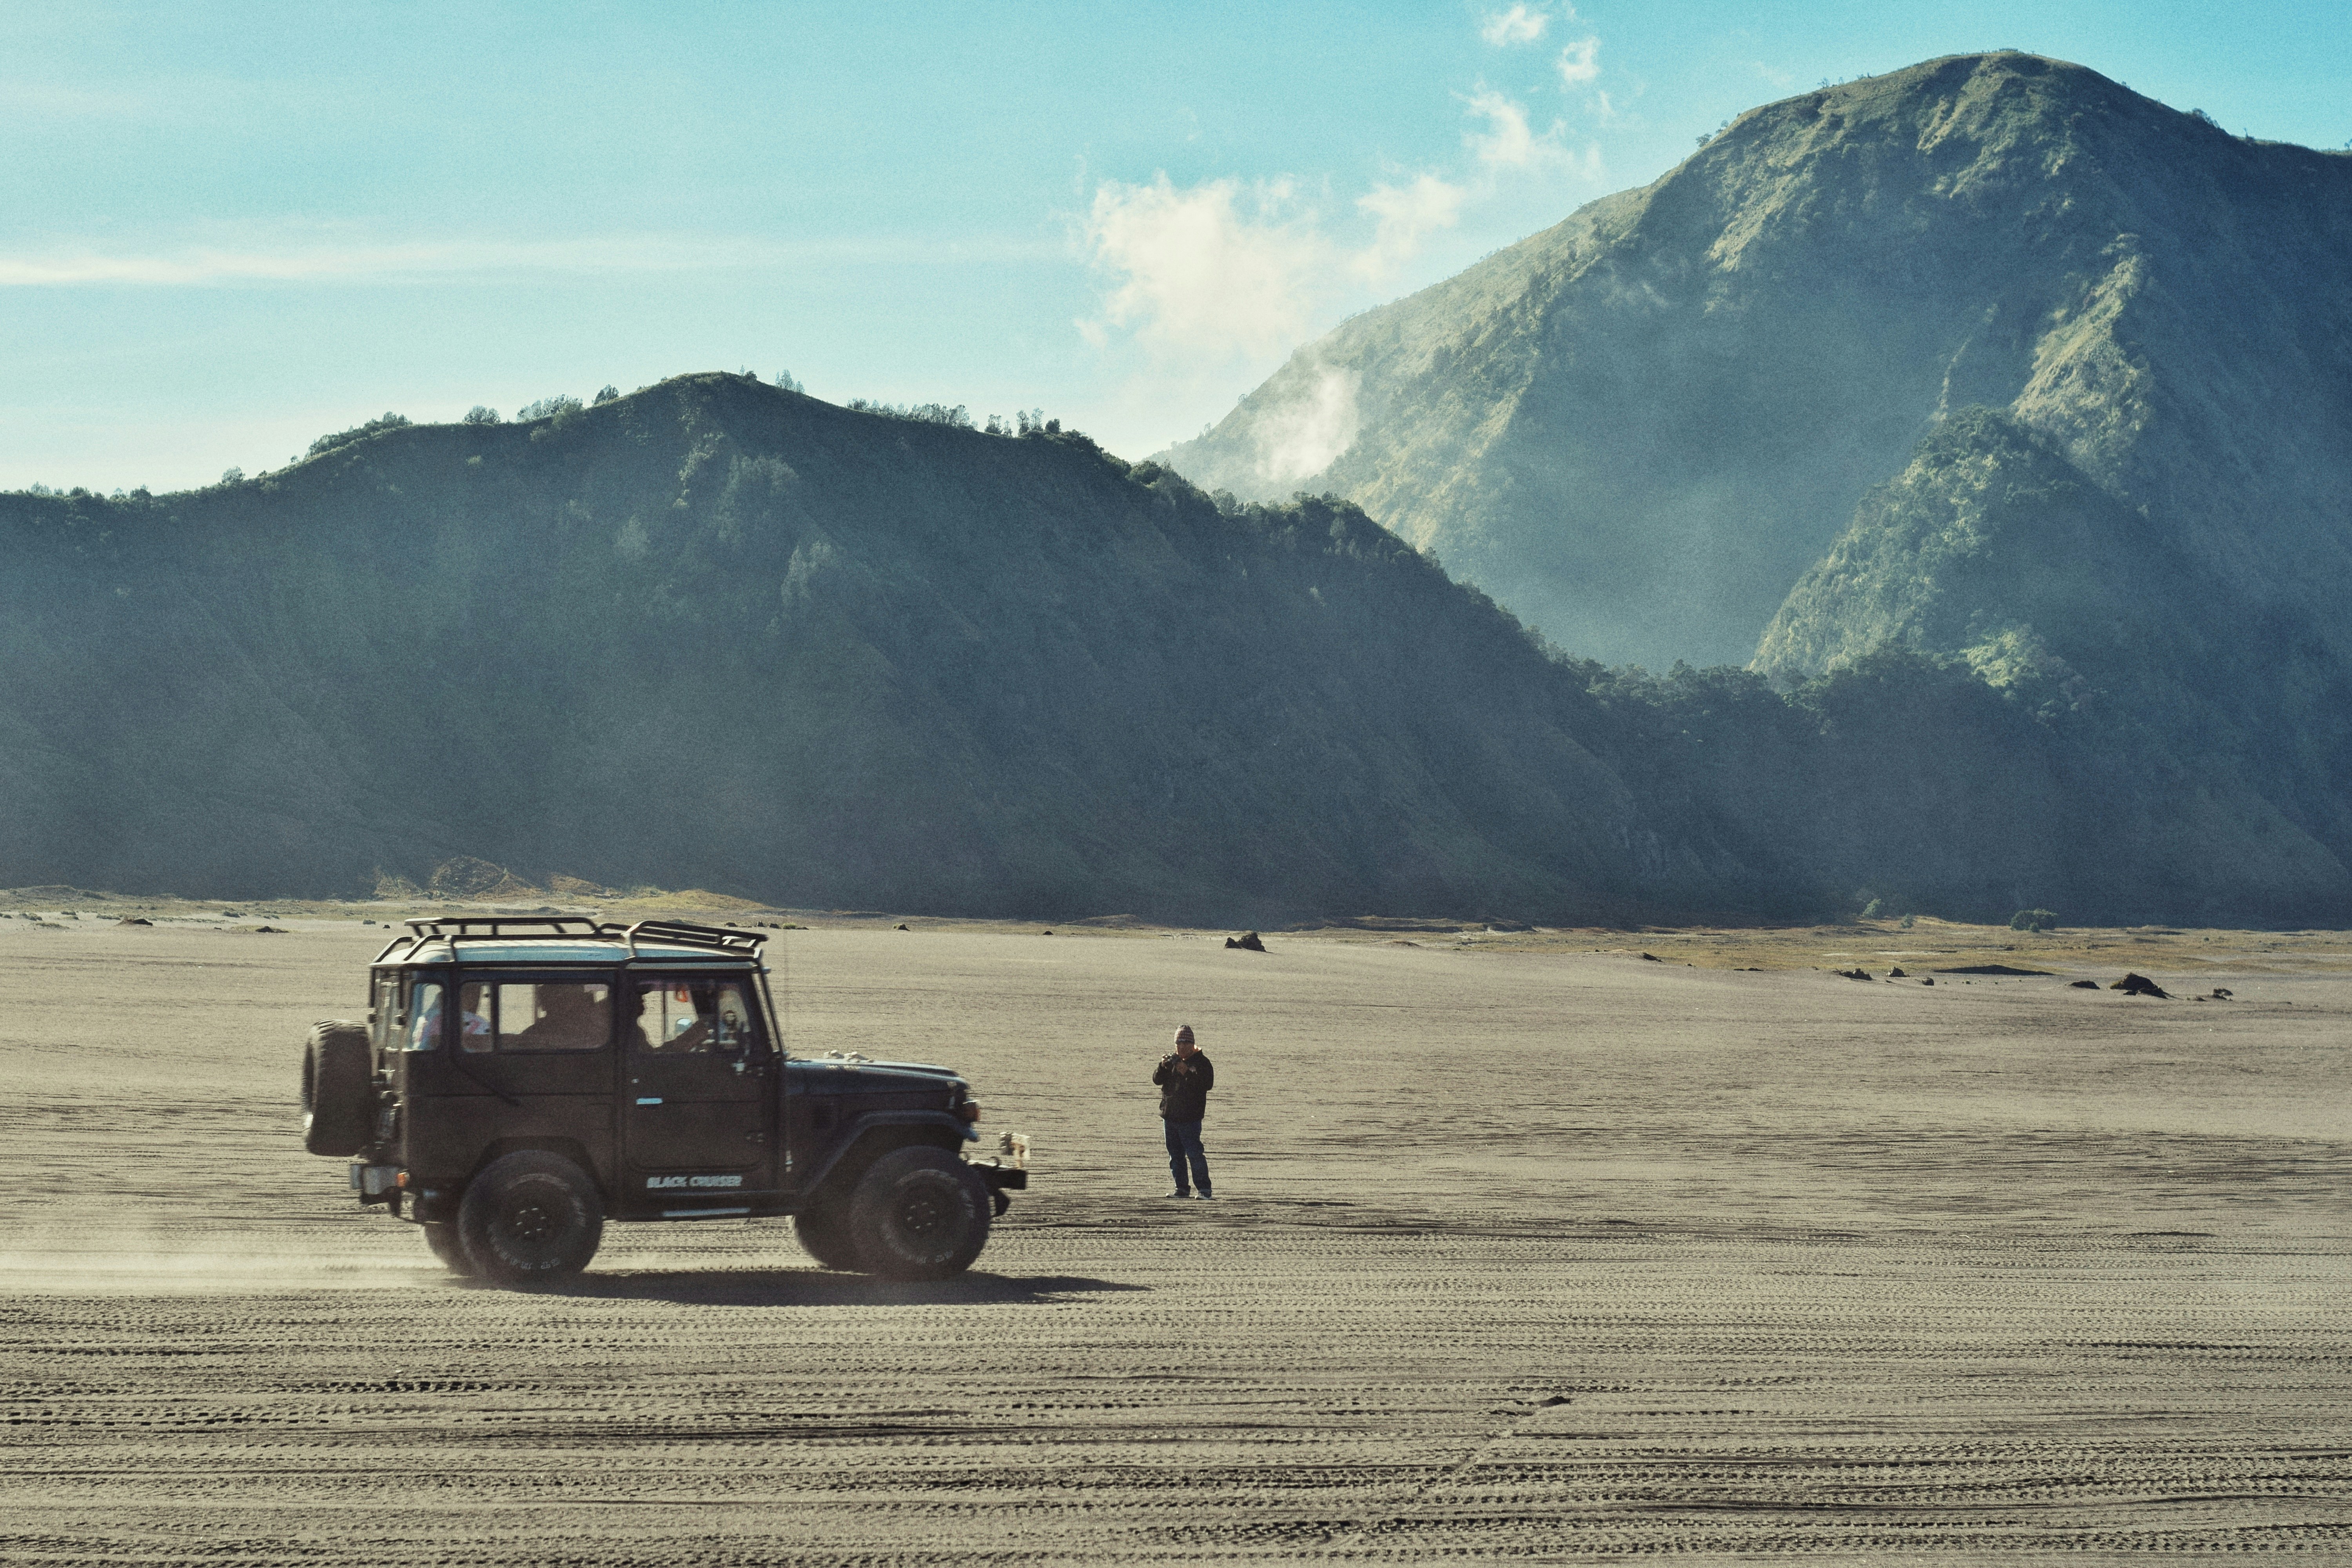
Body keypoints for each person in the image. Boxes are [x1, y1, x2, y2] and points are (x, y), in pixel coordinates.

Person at [1152, 1024, 1214, 1199]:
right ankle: (1181, 1189)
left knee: (1195, 1154)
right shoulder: (1173, 1061)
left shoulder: (1202, 1063)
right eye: (1178, 1045)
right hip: (1170, 1115)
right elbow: (1157, 1080)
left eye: (1184, 1045)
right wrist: (1163, 1066)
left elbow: (1206, 1085)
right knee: (1175, 1156)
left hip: (1190, 1117)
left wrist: (1187, 1072)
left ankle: (1205, 1191)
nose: (1180, 1048)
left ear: (1192, 1045)